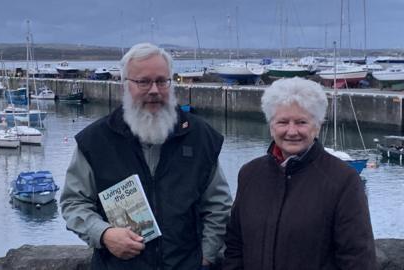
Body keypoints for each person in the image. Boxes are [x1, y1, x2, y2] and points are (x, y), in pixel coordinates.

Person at [60, 42, 232, 269]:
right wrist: (104, 234)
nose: (154, 90)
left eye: (162, 81)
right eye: (143, 81)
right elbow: (74, 202)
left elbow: (218, 205)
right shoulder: (95, 141)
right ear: (125, 86)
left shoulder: (201, 137)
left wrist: (206, 256)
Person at [223, 77, 376, 270]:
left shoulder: (343, 180)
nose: (292, 131)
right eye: (283, 122)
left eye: (301, 122)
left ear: (317, 126)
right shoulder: (250, 174)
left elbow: (357, 258)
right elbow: (235, 245)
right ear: (271, 126)